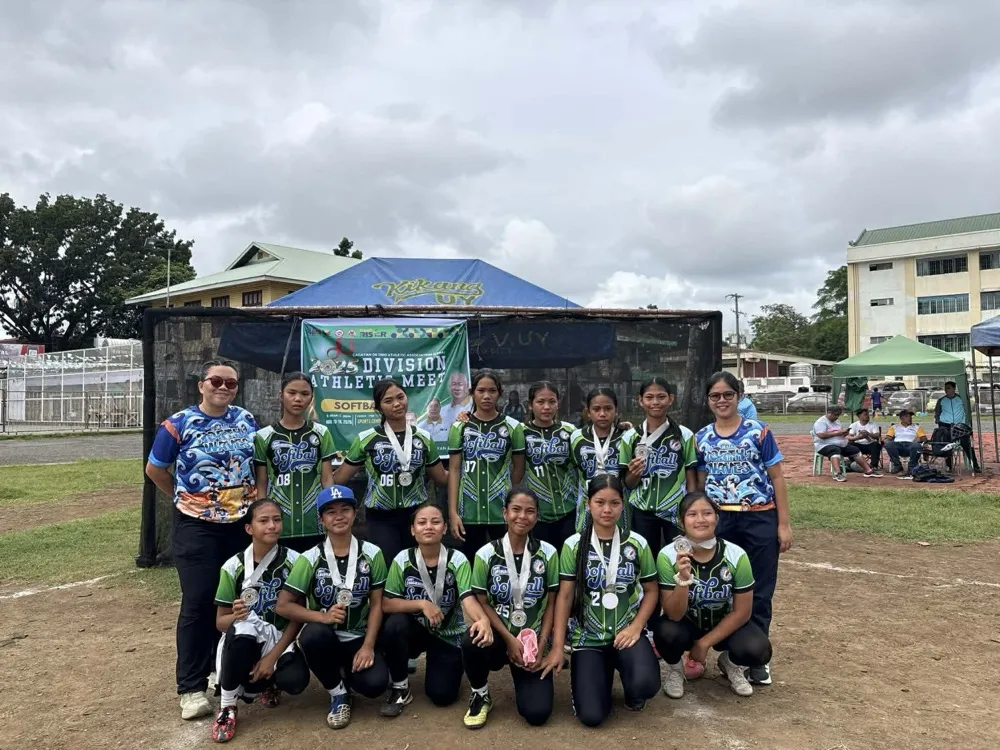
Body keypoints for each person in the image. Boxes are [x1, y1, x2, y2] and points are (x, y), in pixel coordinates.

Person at [145, 359, 258, 720]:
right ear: (201, 385)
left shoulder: (246, 419)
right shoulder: (178, 424)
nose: (223, 388)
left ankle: (218, 670)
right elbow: (155, 470)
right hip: (196, 525)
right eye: (216, 381)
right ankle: (190, 687)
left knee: (233, 599)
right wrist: (185, 500)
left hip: (239, 525)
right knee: (198, 601)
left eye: (231, 383)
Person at [540, 474, 660, 727]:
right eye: (600, 502)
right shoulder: (573, 545)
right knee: (592, 717)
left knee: (645, 685)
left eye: (614, 503)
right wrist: (558, 646)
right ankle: (598, 673)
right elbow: (564, 596)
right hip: (588, 638)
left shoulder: (637, 543)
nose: (607, 509)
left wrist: (636, 627)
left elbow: (651, 590)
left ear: (623, 504)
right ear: (588, 504)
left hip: (626, 633)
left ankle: (631, 682)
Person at [695, 371, 791, 686]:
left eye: (728, 395)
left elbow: (777, 477)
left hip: (759, 517)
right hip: (720, 521)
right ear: (707, 400)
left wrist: (784, 523)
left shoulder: (759, 432)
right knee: (720, 587)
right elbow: (697, 482)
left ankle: (752, 657)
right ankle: (726, 647)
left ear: (739, 395)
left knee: (760, 590)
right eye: (715, 396)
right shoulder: (702, 438)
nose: (721, 401)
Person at [275, 486, 389, 730]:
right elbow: (283, 605)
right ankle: (338, 693)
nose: (339, 516)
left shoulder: (373, 553)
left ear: (355, 513)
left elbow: (378, 603)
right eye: (331, 512)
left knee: (375, 685)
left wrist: (369, 645)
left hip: (359, 638)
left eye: (345, 509)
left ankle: (349, 673)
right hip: (326, 638)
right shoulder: (310, 558)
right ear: (321, 519)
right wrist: (321, 616)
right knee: (313, 634)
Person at [382, 504, 495, 726]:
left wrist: (482, 619)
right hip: (415, 630)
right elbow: (387, 603)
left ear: (444, 528)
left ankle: (451, 665)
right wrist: (422, 603)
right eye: (422, 522)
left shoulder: (458, 559)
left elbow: (467, 598)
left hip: (448, 633)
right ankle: (400, 687)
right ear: (412, 530)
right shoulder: (402, 559)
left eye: (435, 522)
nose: (429, 527)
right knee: (395, 625)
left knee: (442, 696)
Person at [654, 492, 771, 700]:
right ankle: (675, 669)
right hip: (686, 623)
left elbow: (743, 612)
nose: (700, 520)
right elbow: (673, 614)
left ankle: (731, 663)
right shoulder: (668, 555)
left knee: (758, 649)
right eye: (692, 514)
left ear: (717, 518)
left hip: (723, 623)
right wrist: (683, 579)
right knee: (665, 632)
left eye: (707, 513)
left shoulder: (736, 555)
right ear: (682, 521)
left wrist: (704, 643)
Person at [211, 499, 310, 743]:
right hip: (244, 638)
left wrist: (272, 657)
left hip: (279, 637)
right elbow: (220, 623)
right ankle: (228, 706)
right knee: (244, 631)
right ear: (249, 528)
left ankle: (266, 684)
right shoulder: (232, 567)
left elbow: (297, 616)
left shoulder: (297, 561)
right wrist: (237, 615)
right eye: (263, 520)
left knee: (296, 681)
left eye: (277, 520)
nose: (272, 526)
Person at [467, 487, 559, 727]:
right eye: (516, 510)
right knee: (472, 640)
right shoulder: (485, 554)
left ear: (537, 517)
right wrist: (508, 639)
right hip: (500, 636)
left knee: (537, 714)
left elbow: (551, 602)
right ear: (505, 513)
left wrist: (543, 642)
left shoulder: (548, 553)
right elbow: (482, 601)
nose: (522, 516)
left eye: (530, 511)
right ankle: (480, 692)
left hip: (532, 641)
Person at [334, 379, 448, 564]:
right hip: (381, 518)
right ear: (378, 407)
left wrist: (464, 471)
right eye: (388, 401)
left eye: (400, 397)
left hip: (416, 516)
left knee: (415, 570)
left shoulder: (424, 438)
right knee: (388, 569)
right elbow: (339, 478)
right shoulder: (366, 439)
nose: (396, 404)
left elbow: (442, 478)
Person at [254, 372, 336, 551]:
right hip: (278, 523)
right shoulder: (263, 436)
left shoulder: (322, 433)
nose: (298, 399)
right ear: (281, 396)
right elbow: (262, 483)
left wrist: (330, 513)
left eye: (305, 394)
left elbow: (327, 479)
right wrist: (261, 518)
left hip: (313, 521)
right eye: (292, 393)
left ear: (311, 398)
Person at [448, 369, 526, 558]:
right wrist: (452, 513)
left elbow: (519, 468)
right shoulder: (460, 427)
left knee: (504, 561)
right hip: (468, 509)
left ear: (499, 393)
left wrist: (507, 492)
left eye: (492, 391)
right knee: (472, 563)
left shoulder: (512, 427)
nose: (486, 396)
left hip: (501, 510)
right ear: (472, 392)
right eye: (481, 390)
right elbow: (454, 469)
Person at [619, 377, 698, 553]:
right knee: (646, 559)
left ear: (671, 399)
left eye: (661, 396)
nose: (655, 402)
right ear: (640, 401)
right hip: (642, 509)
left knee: (679, 557)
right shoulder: (630, 437)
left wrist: (691, 507)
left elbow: (690, 474)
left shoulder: (685, 435)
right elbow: (628, 483)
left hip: (676, 510)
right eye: (649, 397)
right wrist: (634, 472)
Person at [521, 381, 580, 549]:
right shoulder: (520, 432)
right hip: (537, 512)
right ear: (530, 405)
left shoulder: (570, 431)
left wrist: (619, 428)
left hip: (570, 508)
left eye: (552, 401)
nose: (546, 407)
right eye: (540, 402)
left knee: (569, 561)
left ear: (558, 404)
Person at [570, 387, 630, 533]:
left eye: (608, 408)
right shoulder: (576, 437)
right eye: (596, 409)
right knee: (584, 542)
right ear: (588, 412)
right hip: (587, 501)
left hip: (617, 501)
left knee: (620, 540)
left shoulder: (627, 437)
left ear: (616, 410)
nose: (602, 414)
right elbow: (574, 470)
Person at [812, 405, 880, 481]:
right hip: (824, 445)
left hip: (840, 444)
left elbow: (840, 432)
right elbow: (821, 435)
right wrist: (837, 433)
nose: (837, 417)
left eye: (838, 415)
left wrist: (844, 433)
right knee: (835, 450)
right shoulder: (821, 422)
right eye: (836, 415)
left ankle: (868, 471)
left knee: (855, 450)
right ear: (829, 413)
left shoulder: (837, 421)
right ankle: (838, 474)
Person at [934, 381, 981, 474]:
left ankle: (975, 465)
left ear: (954, 389)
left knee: (966, 444)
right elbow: (937, 412)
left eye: (948, 388)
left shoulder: (961, 399)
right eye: (945, 388)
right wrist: (939, 421)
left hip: (959, 426)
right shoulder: (941, 400)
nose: (946, 390)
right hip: (945, 425)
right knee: (947, 445)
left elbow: (968, 410)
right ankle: (949, 466)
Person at [885, 410, 929, 478]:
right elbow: (887, 438)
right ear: (901, 418)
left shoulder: (917, 427)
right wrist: (886, 440)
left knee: (917, 445)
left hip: (911, 445)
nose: (910, 418)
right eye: (907, 416)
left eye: (910, 416)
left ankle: (912, 467)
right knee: (889, 444)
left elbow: (924, 438)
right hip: (898, 445)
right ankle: (898, 465)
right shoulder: (894, 427)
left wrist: (919, 439)